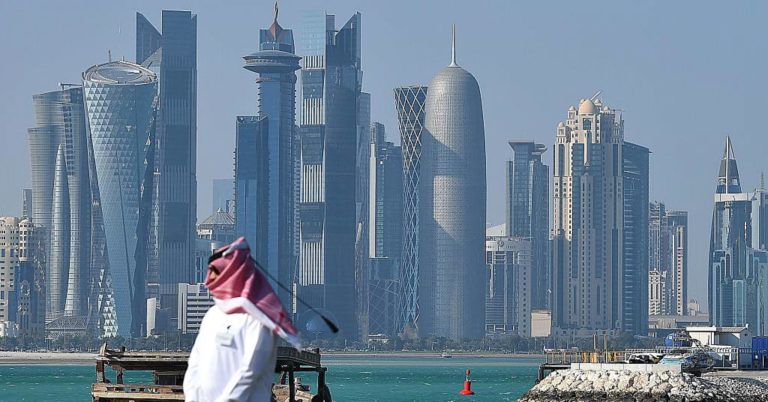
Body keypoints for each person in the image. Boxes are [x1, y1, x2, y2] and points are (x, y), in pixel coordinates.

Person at [184, 238, 300, 402]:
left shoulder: (259, 319)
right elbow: (195, 363)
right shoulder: (212, 315)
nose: (208, 280)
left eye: (215, 272)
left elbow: (251, 370)